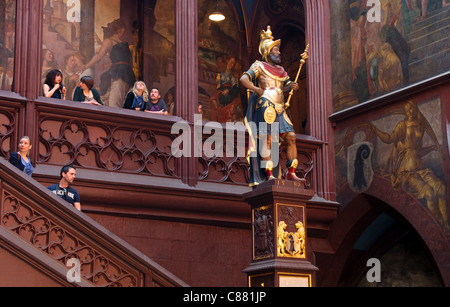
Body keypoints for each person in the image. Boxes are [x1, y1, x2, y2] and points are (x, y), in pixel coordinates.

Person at [239, 26, 303, 187]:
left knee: (291, 137)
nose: (278, 52)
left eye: (278, 50)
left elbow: (285, 86)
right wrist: (257, 89)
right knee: (267, 140)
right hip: (266, 106)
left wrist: (292, 86)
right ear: (268, 52)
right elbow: (243, 79)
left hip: (280, 108)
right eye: (275, 50)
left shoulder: (281, 70)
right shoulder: (258, 66)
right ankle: (269, 175)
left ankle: (291, 172)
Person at [78, 19, 135, 108]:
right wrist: (86, 66)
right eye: (123, 30)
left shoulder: (125, 44)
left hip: (127, 74)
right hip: (118, 73)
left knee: (120, 100)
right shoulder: (109, 41)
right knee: (113, 101)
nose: (124, 33)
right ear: (119, 29)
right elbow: (99, 56)